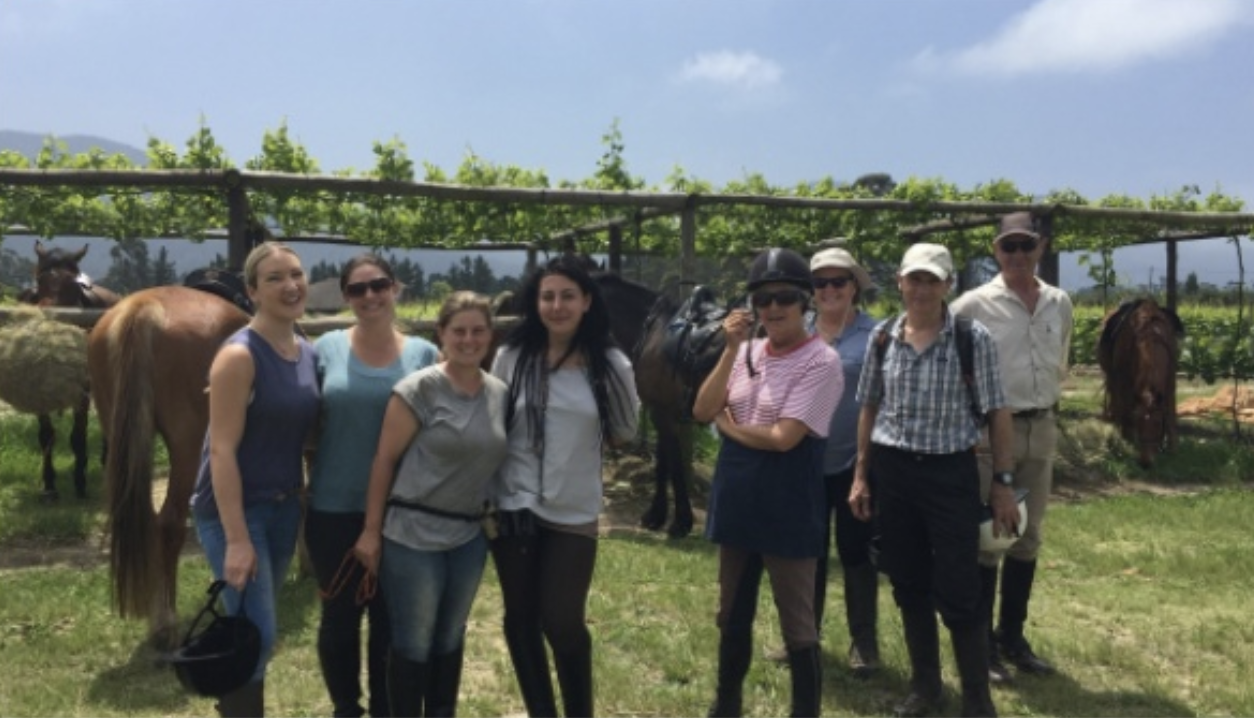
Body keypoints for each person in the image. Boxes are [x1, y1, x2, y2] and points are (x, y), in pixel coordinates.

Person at [849, 242, 1020, 718]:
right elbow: (869, 407)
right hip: (895, 473)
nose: (921, 289)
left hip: (949, 475)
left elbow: (998, 413)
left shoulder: (971, 338)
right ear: (899, 282)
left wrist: (1002, 482)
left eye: (931, 280)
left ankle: (977, 700)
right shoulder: (882, 337)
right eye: (914, 279)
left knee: (960, 588)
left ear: (948, 285)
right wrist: (861, 474)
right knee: (908, 583)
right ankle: (926, 688)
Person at [694, 247, 843, 718]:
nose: (773, 308)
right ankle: (726, 705)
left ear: (805, 302)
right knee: (731, 611)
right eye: (762, 299)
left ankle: (805, 711)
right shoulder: (746, 353)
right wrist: (730, 349)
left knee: (797, 622)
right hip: (738, 499)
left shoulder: (821, 361)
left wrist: (730, 426)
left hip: (788, 501)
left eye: (784, 298)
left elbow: (784, 438)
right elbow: (702, 409)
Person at [489, 255, 640, 718]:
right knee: (520, 617)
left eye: (568, 296)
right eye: (548, 297)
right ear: (535, 303)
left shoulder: (610, 365)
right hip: (513, 502)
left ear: (587, 301)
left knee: (562, 619)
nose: (557, 306)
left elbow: (624, 429)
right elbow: (493, 421)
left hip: (573, 506)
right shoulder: (511, 357)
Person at [353, 291, 508, 717]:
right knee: (414, 641)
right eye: (459, 331)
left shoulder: (498, 393)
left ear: (490, 336)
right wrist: (371, 531)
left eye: (478, 331)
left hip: (468, 535)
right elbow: (384, 460)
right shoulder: (418, 389)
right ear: (441, 333)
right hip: (413, 535)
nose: (468, 340)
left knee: (451, 636)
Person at [190, 241, 321, 717]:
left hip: (283, 507)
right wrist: (237, 539)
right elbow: (221, 451)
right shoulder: (239, 356)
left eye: (296, 275)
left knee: (253, 630)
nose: (290, 286)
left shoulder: (305, 353)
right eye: (274, 278)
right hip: (236, 511)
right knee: (258, 634)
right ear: (252, 292)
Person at [308, 254, 440, 717]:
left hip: (401, 510)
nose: (370, 296)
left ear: (395, 288)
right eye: (357, 289)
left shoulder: (423, 354)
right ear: (346, 297)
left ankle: (386, 709)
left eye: (379, 285)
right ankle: (347, 707)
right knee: (339, 619)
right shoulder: (325, 348)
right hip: (333, 506)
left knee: (391, 621)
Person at [951, 212, 1073, 683]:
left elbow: (1060, 360)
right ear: (995, 250)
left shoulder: (1059, 302)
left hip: (1041, 426)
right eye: (1009, 246)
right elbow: (949, 362)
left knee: (1028, 535)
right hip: (990, 433)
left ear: (1041, 247)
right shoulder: (972, 305)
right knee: (990, 538)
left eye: (1026, 245)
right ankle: (981, 645)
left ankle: (1012, 636)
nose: (1018, 255)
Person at [806, 247, 883, 678]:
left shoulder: (876, 335)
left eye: (839, 281)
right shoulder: (798, 331)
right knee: (808, 552)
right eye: (821, 283)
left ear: (855, 286)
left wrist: (866, 469)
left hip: (856, 464)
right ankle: (804, 635)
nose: (830, 290)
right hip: (805, 462)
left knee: (856, 553)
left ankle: (863, 641)